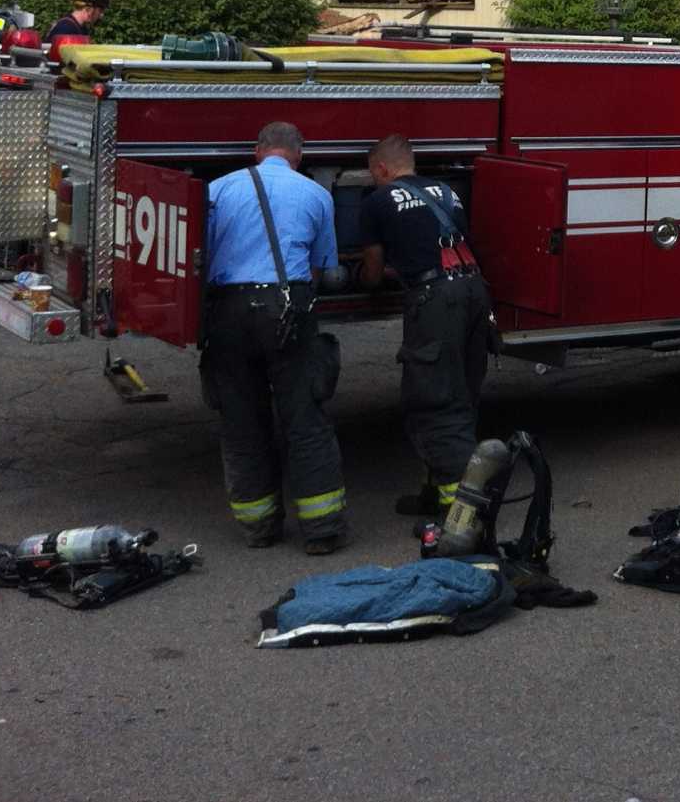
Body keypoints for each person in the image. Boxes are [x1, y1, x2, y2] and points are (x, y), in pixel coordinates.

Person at [200, 121, 349, 554]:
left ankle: (259, 528)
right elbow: (322, 269)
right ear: (298, 155)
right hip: (288, 308)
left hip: (227, 312)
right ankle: (322, 532)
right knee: (306, 419)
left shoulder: (218, 190)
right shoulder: (317, 195)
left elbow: (199, 257)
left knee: (241, 422)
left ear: (257, 150)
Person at [358, 134, 491, 517]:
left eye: (373, 174)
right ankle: (434, 494)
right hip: (473, 291)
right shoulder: (447, 192)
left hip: (435, 301)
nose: (374, 180)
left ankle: (461, 517)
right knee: (461, 394)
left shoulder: (377, 201)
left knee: (435, 402)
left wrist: (367, 279)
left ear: (382, 168)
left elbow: (372, 268)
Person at [45, 0, 111, 43]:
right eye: (101, 10)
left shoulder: (79, 27)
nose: (101, 15)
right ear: (90, 8)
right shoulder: (67, 29)